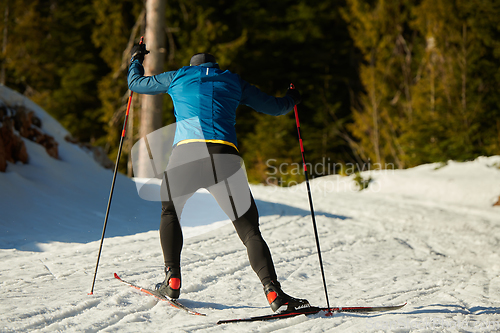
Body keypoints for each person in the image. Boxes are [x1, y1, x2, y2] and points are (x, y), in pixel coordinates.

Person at [127, 42, 309, 313]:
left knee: (171, 213)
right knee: (249, 230)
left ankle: (172, 278)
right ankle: (273, 293)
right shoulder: (233, 81)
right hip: (225, 158)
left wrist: (137, 59)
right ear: (215, 66)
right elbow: (275, 107)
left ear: (193, 66)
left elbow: (136, 83)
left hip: (185, 156)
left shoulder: (179, 76)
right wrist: (291, 97)